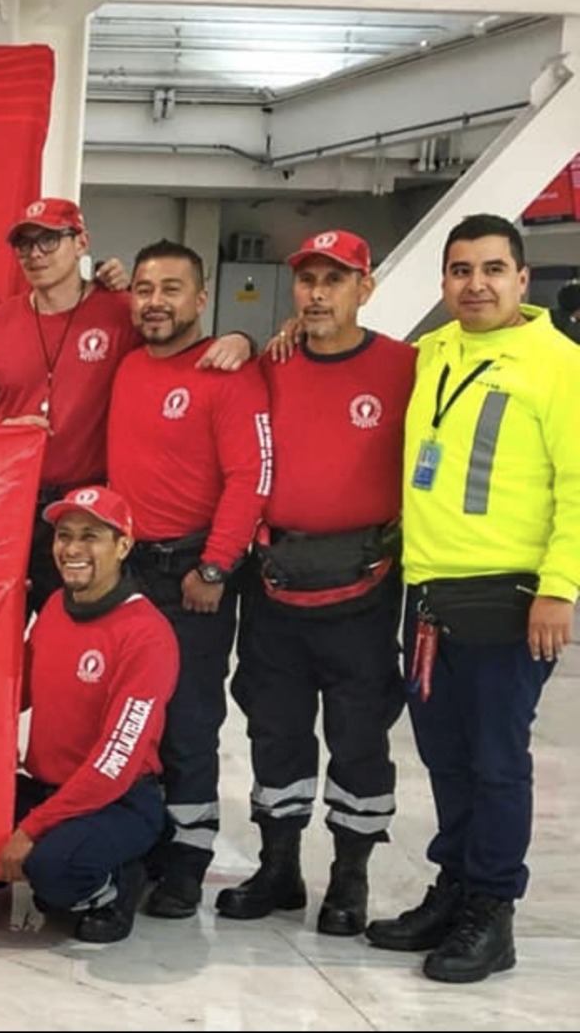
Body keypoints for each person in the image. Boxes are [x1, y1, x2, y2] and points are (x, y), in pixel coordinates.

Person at [365, 213, 578, 983]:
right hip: (428, 592)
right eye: (460, 270)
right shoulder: (433, 353)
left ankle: (492, 908)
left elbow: (578, 486)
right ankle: (454, 885)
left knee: (496, 761)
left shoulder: (560, 364)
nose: (476, 283)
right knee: (445, 757)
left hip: (510, 594)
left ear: (523, 278)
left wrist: (559, 588)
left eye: (493, 268)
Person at [218, 230, 415, 936]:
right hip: (273, 584)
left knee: (360, 734)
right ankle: (279, 868)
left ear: (365, 288)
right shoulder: (269, 363)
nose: (318, 293)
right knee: (274, 730)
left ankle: (351, 877)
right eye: (308, 280)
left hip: (362, 589)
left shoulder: (406, 366)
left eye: (336, 279)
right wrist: (242, 336)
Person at [0, 199, 252, 619]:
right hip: (10, 506)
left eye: (50, 240)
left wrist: (242, 338)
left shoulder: (120, 311)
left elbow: (177, 333)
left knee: (83, 638)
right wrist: (1, 428)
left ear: (82, 244)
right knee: (0, 637)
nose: (36, 254)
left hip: (89, 510)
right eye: (25, 244)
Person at [0, 486, 178, 943]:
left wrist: (30, 830)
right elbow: (15, 693)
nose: (72, 549)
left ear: (123, 546)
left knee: (54, 873)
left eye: (90, 536)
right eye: (64, 535)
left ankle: (119, 881)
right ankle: (53, 853)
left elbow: (115, 763)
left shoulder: (146, 635)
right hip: (47, 791)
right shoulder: (54, 608)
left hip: (118, 801)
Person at [105, 239, 272, 920]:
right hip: (128, 571)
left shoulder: (228, 375)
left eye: (172, 288)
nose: (155, 301)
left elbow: (250, 478)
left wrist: (216, 565)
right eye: (144, 288)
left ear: (201, 299)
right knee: (130, 717)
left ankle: (187, 857)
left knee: (188, 723)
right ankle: (142, 842)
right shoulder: (126, 367)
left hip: (193, 575)